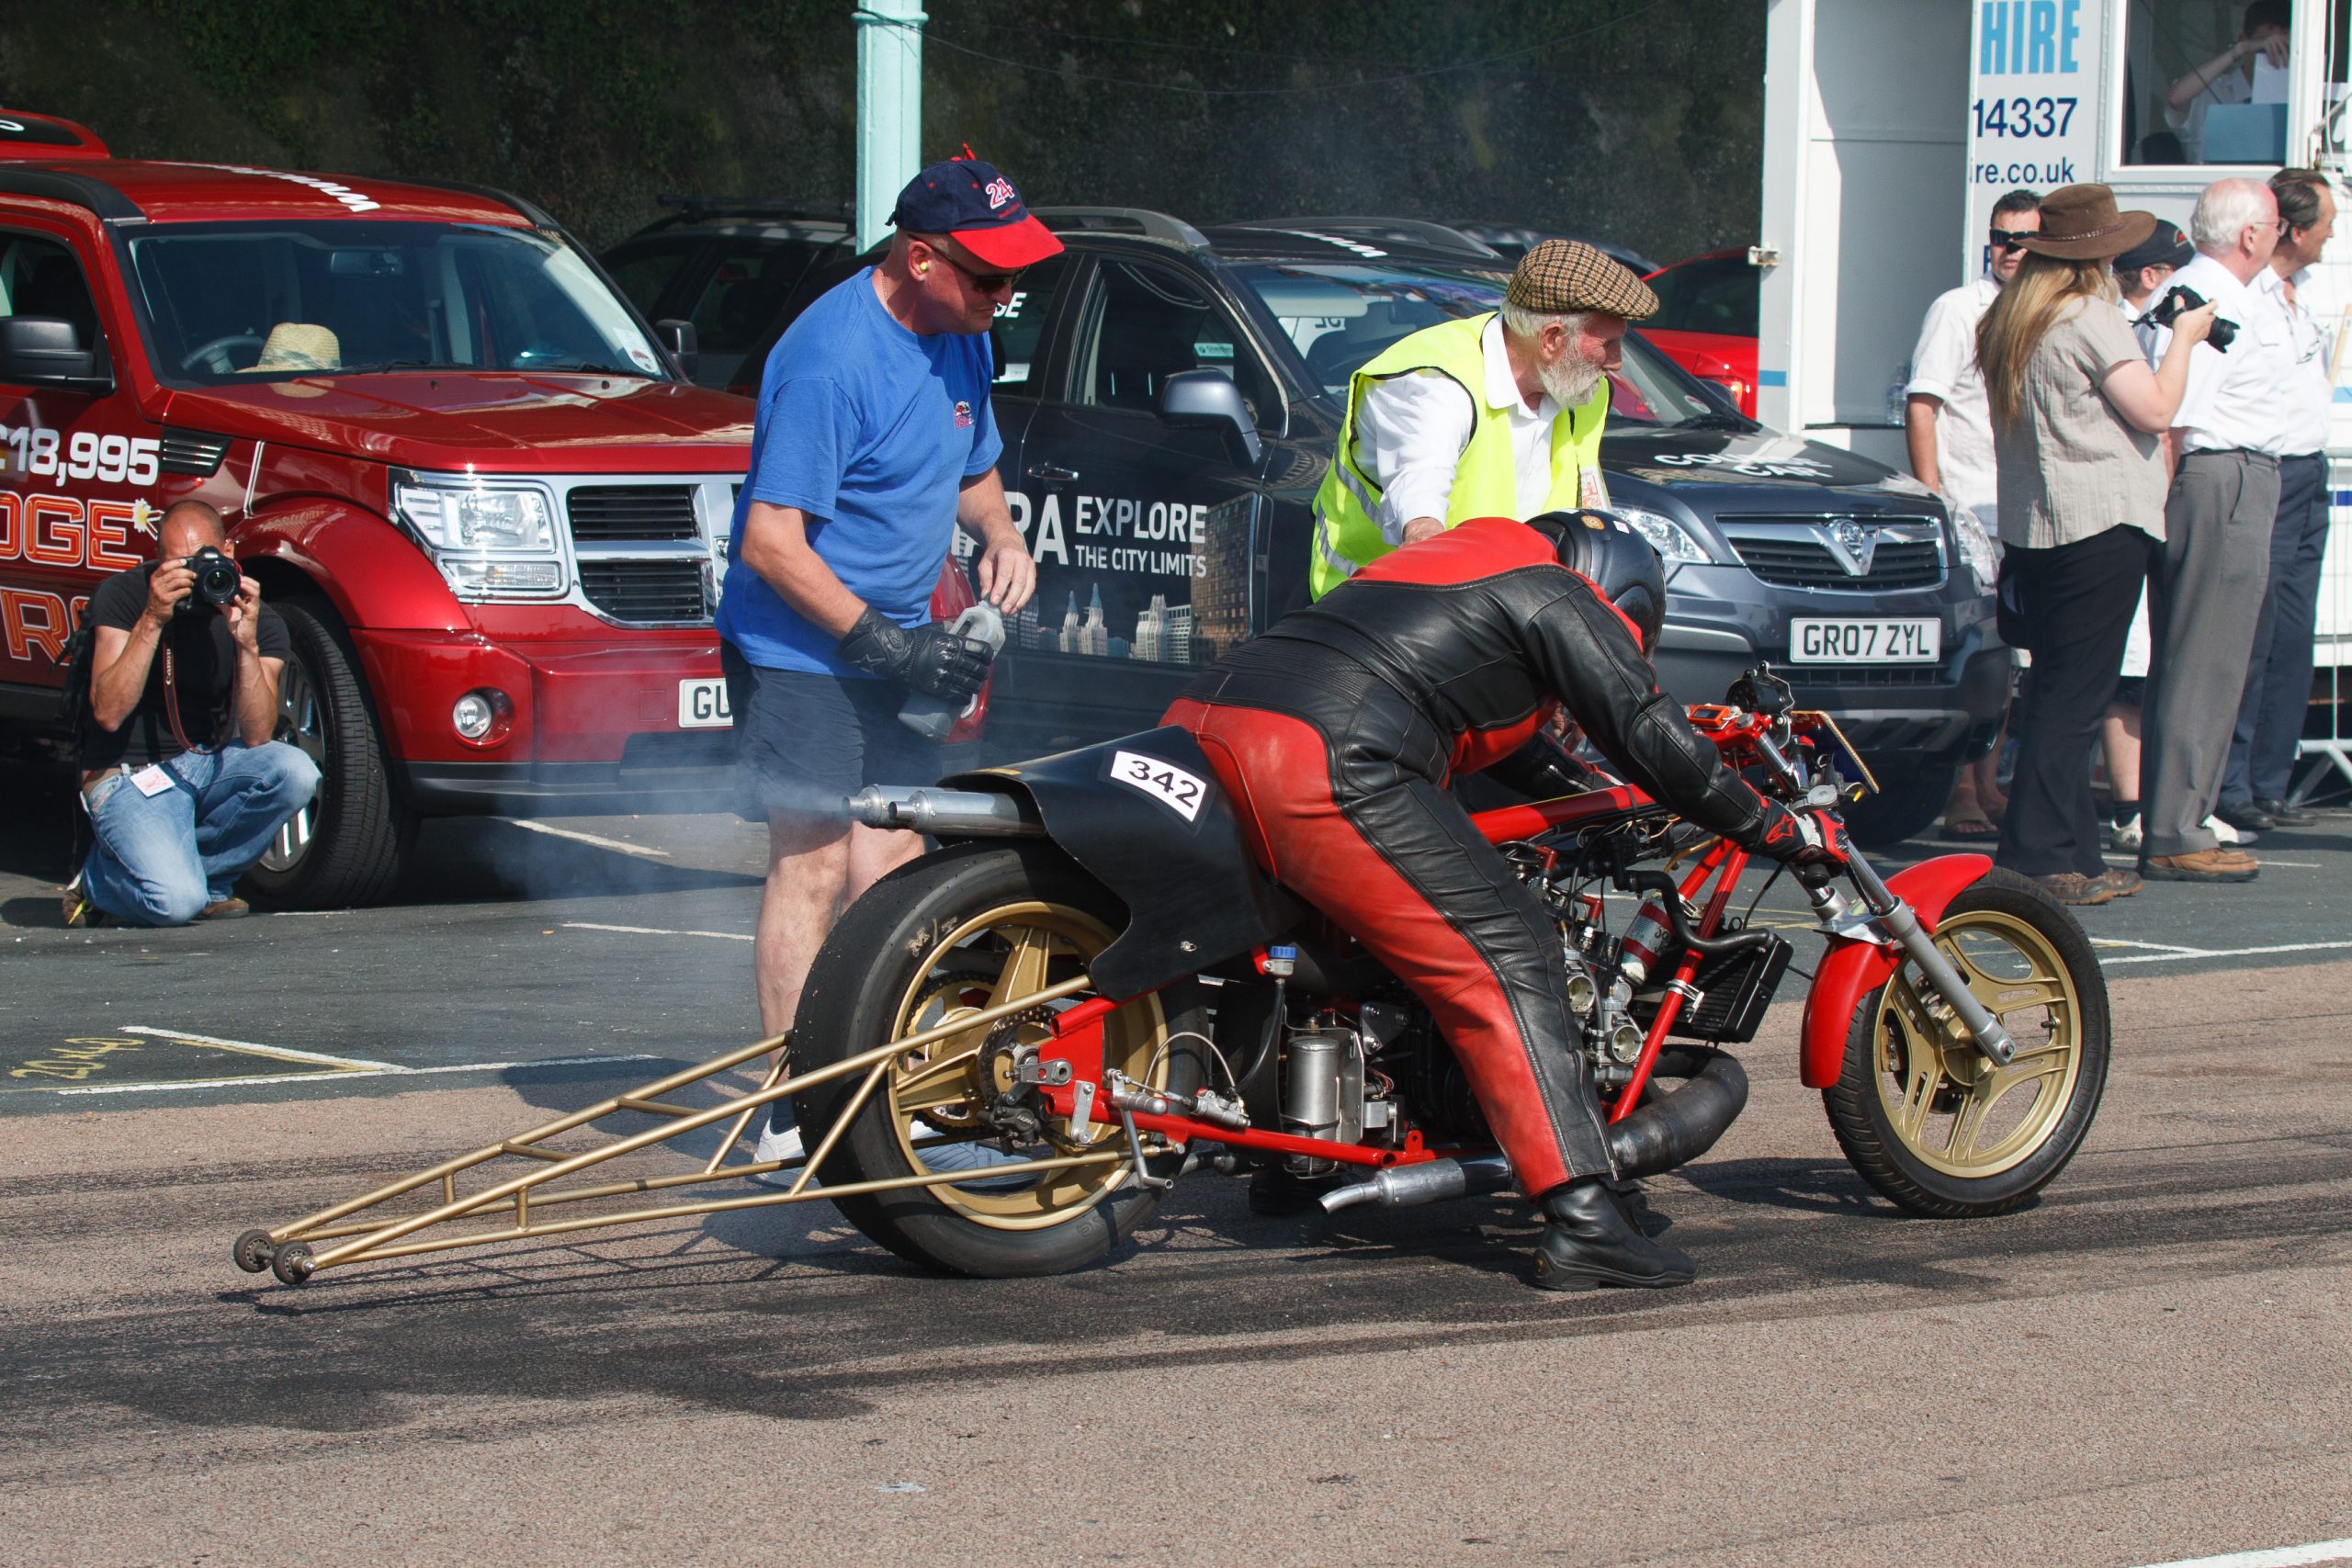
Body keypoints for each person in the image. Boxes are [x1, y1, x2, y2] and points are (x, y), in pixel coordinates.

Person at [1169, 513, 1849, 1292]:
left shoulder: (1453, 568)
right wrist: (1764, 821)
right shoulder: (1560, 590)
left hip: (1209, 723)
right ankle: (1584, 1215)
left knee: (1329, 950)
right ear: (1623, 596)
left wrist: (1608, 801)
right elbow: (1644, 726)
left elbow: (1517, 746)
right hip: (1324, 751)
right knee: (1511, 948)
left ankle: (1294, 1165)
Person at [718, 156, 1049, 1162]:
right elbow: (770, 543)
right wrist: (888, 645)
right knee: (813, 856)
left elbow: (975, 467)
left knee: (895, 856)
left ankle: (870, 1073)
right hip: (800, 648)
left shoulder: (963, 337)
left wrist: (1001, 537)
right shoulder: (830, 359)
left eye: (1012, 276)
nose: (1006, 295)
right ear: (919, 259)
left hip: (892, 645)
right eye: (988, 276)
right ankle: (788, 1105)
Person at [1975, 186, 2215, 907]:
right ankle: (2038, 855)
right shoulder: (2089, 316)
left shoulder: (2012, 316)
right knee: (2074, 698)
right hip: (2101, 522)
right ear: (2096, 252)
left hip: (2038, 525)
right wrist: (2183, 341)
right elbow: (2157, 408)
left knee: (2059, 687)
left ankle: (2070, 848)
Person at [1306, 239, 1654, 597]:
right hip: (1376, 615)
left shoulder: (1581, 395)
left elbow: (1588, 510)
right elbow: (1421, 520)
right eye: (1607, 344)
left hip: (1508, 609)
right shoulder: (1435, 383)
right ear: (1551, 339)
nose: (1616, 362)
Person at [2135, 176, 2297, 884]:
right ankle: (2175, 826)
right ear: (2252, 234)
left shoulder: (2223, 290)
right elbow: (2176, 412)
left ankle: (2179, 817)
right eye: (2273, 224)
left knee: (2202, 658)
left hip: (2231, 475)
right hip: (2219, 475)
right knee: (2206, 659)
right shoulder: (2208, 295)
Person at [62, 500, 319, 928]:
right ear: (157, 562)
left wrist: (245, 644)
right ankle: (95, 883)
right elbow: (107, 713)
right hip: (125, 773)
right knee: (173, 903)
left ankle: (210, 883)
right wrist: (152, 619)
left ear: (229, 552)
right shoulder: (126, 595)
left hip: (201, 762)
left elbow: (258, 735)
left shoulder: (257, 616)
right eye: (176, 565)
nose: (193, 576)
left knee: (295, 771)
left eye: (204, 561)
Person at [1906, 188, 2041, 841]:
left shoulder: (2041, 311)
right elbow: (1923, 404)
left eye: (2022, 239)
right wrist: (1935, 502)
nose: (2009, 249)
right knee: (1974, 654)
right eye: (1999, 237)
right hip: (1968, 508)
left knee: (2008, 658)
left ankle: (1987, 783)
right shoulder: (1961, 308)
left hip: (2022, 509)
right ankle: (1960, 787)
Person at [2218, 168, 2339, 832]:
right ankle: (2230, 782)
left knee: (2293, 636)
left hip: (2308, 471)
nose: (2331, 234)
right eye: (2325, 222)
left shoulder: (2302, 293)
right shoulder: (2251, 295)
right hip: (2267, 468)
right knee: (2252, 632)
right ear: (2293, 228)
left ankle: (2269, 779)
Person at [2100, 219, 2195, 848]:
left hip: (2153, 502)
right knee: (2120, 667)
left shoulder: (2153, 328)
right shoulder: (2116, 328)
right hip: (2117, 507)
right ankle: (2127, 804)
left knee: (2144, 658)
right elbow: (2160, 416)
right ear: (2153, 276)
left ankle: (2138, 798)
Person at [2165, 1, 2291, 164]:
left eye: (2284, 50)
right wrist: (2239, 50)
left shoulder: (2296, 103)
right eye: (2264, 49)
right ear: (2244, 39)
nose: (2275, 58)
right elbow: (2175, 99)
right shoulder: (2209, 91)